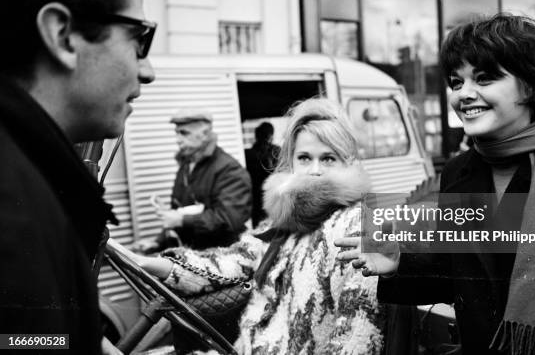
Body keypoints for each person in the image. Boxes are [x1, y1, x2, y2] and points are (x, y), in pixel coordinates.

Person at [336, 13, 535, 355]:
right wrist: (397, 265)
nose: (464, 94)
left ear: (531, 83)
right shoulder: (458, 172)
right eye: (455, 82)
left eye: (484, 79)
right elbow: (464, 275)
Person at [126, 98, 385, 354]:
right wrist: (148, 263)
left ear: (348, 162)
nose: (314, 170)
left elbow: (357, 338)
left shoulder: (361, 226)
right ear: (291, 162)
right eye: (304, 158)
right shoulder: (283, 221)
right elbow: (232, 260)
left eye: (328, 158)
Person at [0, 0, 157, 354]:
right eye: (137, 38)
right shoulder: (13, 209)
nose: (148, 69)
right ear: (63, 35)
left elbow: (21, 340)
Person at [138, 107, 252, 252]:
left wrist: (181, 219)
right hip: (194, 257)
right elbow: (180, 211)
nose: (178, 140)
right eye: (177, 133)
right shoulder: (187, 165)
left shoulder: (229, 170)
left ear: (205, 134)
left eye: (184, 133)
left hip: (222, 259)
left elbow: (229, 218)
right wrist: (158, 242)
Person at [245, 121, 280, 228]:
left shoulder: (248, 153)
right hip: (266, 198)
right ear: (271, 136)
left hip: (258, 198)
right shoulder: (276, 151)